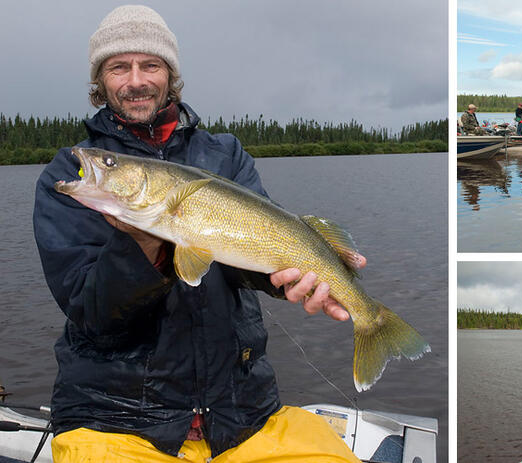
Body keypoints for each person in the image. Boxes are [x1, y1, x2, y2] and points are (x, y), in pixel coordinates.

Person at [33, 6, 363, 463]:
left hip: (242, 413)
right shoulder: (73, 175)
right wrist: (141, 242)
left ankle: (374, 323)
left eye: (150, 65)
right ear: (100, 81)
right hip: (113, 418)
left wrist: (295, 280)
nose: (136, 80)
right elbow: (90, 313)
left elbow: (256, 256)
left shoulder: (225, 154)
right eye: (118, 67)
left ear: (170, 74)